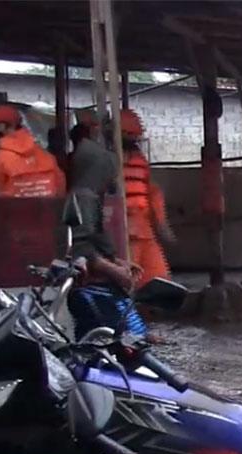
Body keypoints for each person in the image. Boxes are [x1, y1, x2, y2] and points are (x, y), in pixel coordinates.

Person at [64, 114, 149, 341]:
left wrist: (119, 262)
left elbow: (96, 240)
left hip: (99, 279)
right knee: (106, 335)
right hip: (89, 285)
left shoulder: (91, 196)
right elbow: (81, 246)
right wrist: (114, 270)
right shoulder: (83, 198)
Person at [120, 109, 175, 287]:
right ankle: (129, 314)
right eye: (131, 135)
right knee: (128, 281)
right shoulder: (109, 161)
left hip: (144, 228)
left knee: (159, 278)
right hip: (124, 231)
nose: (134, 140)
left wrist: (161, 224)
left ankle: (149, 313)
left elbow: (153, 194)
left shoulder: (139, 160)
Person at [0, 105, 65, 198]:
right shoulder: (46, 156)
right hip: (47, 211)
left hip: (12, 211)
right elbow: (60, 189)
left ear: (2, 127)